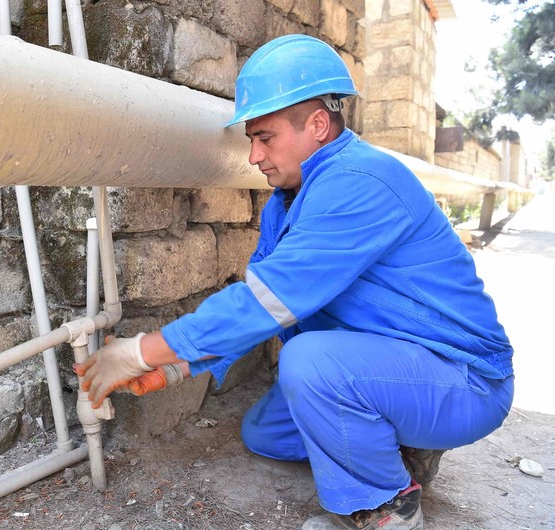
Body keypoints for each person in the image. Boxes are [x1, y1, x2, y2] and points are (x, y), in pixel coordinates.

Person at [76, 34, 514, 530]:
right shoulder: (287, 204)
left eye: (266, 138)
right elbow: (262, 311)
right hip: (391, 360)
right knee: (265, 434)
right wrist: (176, 368)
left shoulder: (361, 180)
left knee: (308, 364)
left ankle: (386, 508)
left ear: (319, 126)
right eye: (252, 140)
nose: (254, 156)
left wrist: (141, 351)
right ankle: (405, 447)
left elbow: (267, 303)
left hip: (462, 380)